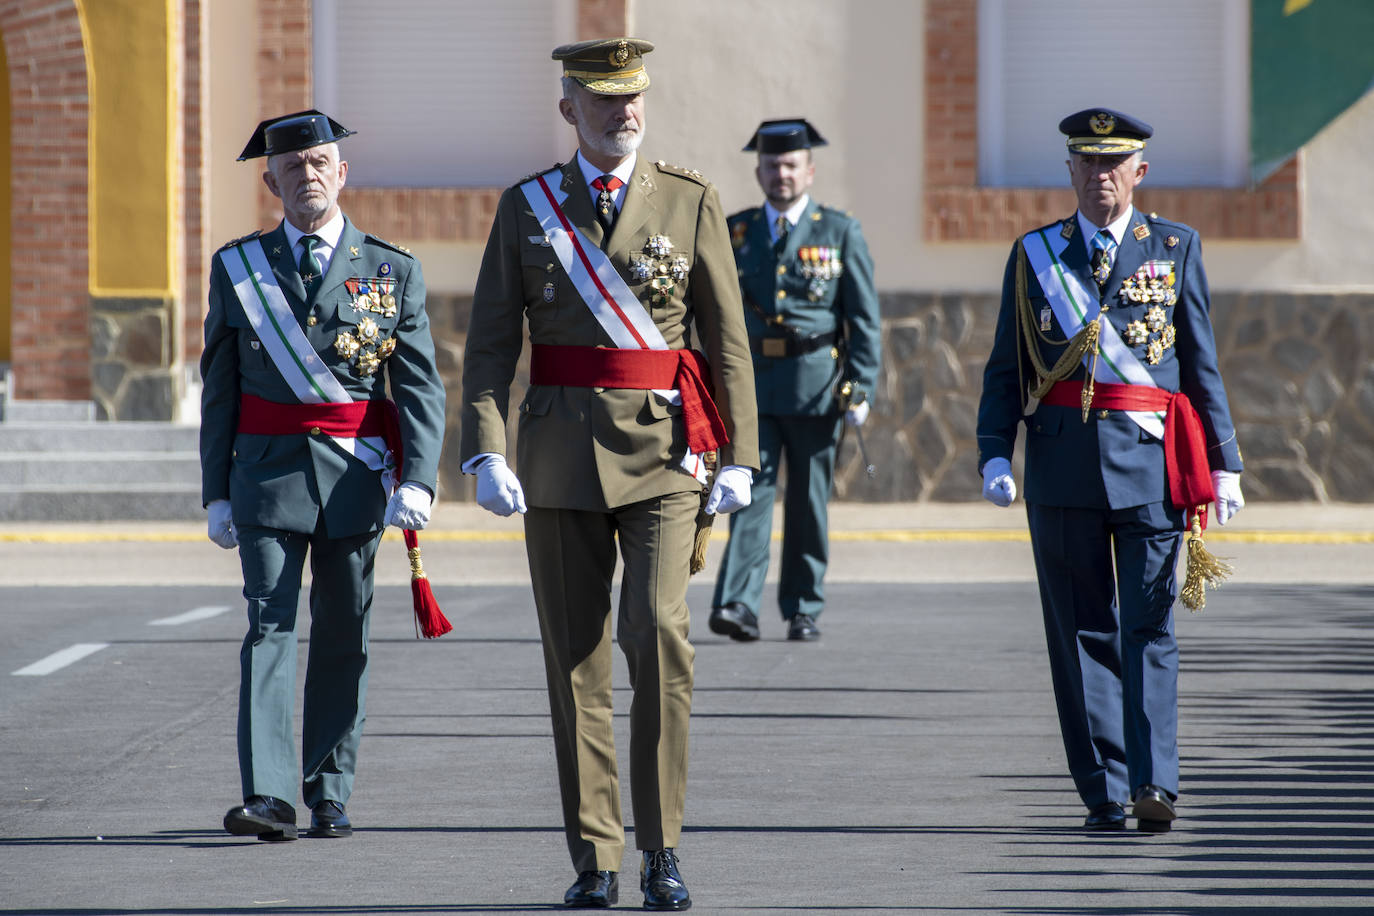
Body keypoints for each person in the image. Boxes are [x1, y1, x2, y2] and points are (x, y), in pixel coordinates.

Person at [459, 37, 758, 910]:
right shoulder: (527, 209)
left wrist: (741, 454)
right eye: (603, 102)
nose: (624, 113)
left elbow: (726, 340)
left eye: (634, 98)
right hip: (556, 457)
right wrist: (484, 447)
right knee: (576, 661)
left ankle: (661, 846)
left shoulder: (689, 199)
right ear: (568, 111)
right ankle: (597, 857)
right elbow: (487, 346)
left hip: (666, 456)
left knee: (659, 636)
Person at [976, 108, 1245, 833]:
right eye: (1088, 163)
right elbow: (1007, 364)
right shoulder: (1035, 253)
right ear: (1070, 171)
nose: (1101, 176)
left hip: (1152, 468)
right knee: (1081, 635)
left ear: (1140, 171)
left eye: (1114, 163)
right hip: (1062, 468)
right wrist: (995, 450)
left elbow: (1199, 364)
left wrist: (1224, 465)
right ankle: (1104, 788)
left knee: (1149, 629)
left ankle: (1156, 783)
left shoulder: (1175, 247)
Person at [200, 110, 446, 842]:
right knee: (269, 626)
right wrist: (215, 492)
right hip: (267, 478)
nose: (307, 174)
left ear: (342, 173)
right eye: (293, 165)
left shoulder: (392, 269)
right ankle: (270, 797)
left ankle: (329, 791)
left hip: (354, 479)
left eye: (320, 162)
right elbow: (221, 386)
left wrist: (419, 480)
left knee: (344, 634)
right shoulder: (237, 266)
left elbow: (422, 386)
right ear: (271, 179)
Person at [708, 119, 881, 643]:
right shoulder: (734, 230)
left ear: (809, 170)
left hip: (817, 387)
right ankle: (738, 603)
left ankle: (804, 606)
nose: (780, 174)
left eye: (789, 165)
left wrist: (862, 384)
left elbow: (864, 317)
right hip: (752, 387)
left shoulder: (839, 230)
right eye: (771, 165)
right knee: (747, 494)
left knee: (808, 500)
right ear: (758, 171)